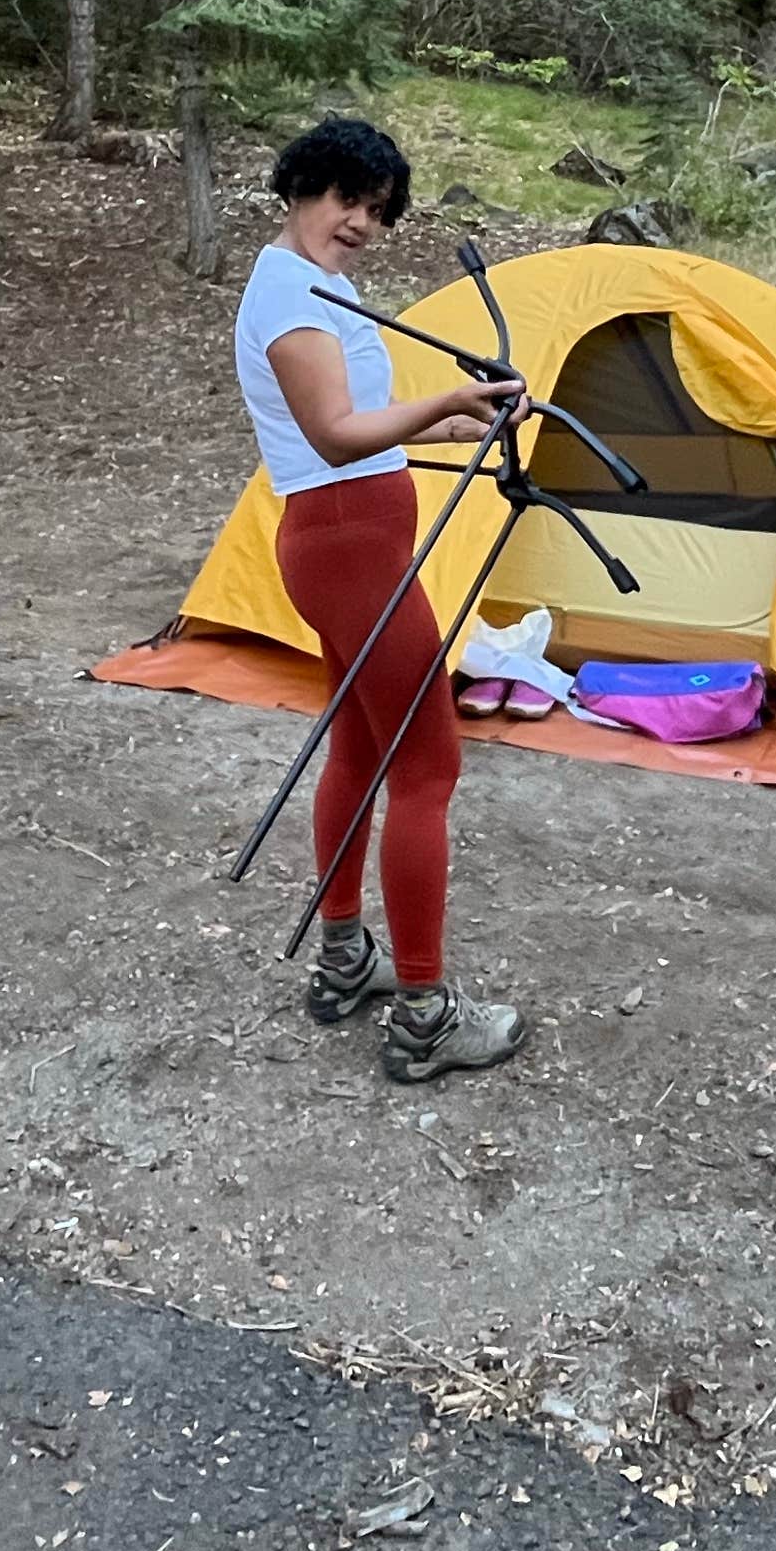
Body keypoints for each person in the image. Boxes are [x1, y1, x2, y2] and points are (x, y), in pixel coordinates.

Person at [236, 114, 528, 1082]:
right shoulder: (288, 297)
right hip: (348, 547)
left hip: (349, 542)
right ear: (301, 188)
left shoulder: (319, 289)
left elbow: (365, 427)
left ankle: (344, 956)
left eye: (376, 209)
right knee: (428, 769)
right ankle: (425, 1015)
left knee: (361, 750)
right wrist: (445, 400)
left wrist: (457, 424)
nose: (359, 220)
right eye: (345, 198)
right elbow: (331, 434)